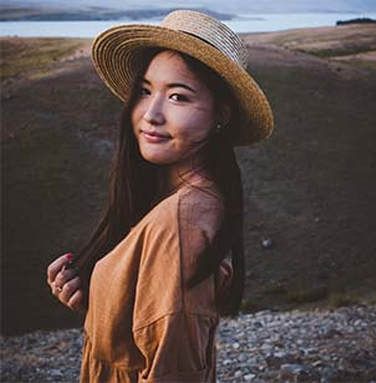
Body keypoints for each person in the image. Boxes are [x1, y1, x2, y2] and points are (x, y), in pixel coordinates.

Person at [46, 9, 273, 382]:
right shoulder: (174, 199)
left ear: (221, 115)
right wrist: (102, 301)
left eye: (179, 97)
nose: (151, 114)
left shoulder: (182, 223)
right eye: (145, 91)